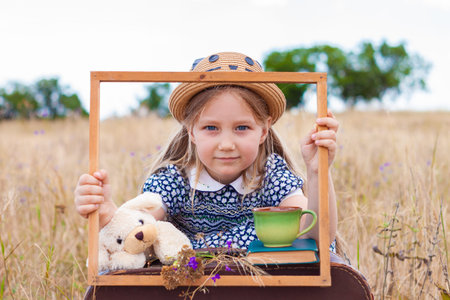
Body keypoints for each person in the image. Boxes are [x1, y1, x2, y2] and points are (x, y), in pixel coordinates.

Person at [74, 52, 338, 251]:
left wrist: (317, 173)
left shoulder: (270, 175)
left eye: (242, 127)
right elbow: (139, 224)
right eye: (211, 127)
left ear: (264, 130)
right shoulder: (175, 179)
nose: (226, 143)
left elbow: (316, 237)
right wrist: (109, 214)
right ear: (191, 131)